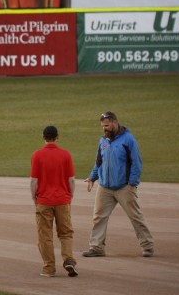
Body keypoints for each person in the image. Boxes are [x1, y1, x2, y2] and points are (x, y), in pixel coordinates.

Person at [83, 111, 154, 257]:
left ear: (115, 123)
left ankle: (147, 246)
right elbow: (98, 162)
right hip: (105, 187)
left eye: (107, 125)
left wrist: (132, 183)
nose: (105, 128)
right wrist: (92, 178)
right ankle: (96, 248)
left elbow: (136, 163)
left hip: (124, 186)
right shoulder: (103, 141)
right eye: (103, 126)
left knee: (135, 216)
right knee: (98, 217)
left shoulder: (128, 140)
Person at [30, 126, 78, 277]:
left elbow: (34, 181)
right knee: (66, 233)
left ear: (43, 136)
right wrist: (70, 197)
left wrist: (34, 198)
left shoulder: (37, 155)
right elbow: (71, 180)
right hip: (63, 199)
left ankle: (49, 268)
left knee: (45, 235)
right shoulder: (65, 155)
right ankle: (68, 258)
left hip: (44, 200)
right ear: (57, 137)